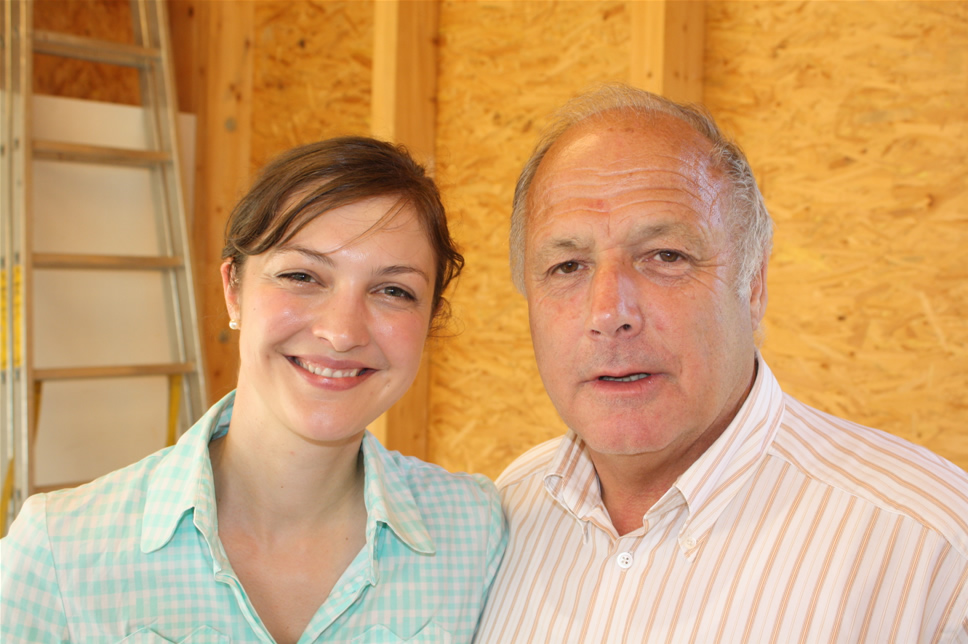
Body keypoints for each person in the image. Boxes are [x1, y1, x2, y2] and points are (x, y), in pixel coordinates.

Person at [474, 85, 968, 643]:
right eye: (567, 266)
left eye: (665, 256)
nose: (609, 314)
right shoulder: (503, 520)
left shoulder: (934, 553)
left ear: (753, 286)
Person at [2, 136, 506, 643]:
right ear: (234, 291)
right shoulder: (58, 552)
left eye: (393, 290)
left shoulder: (476, 534)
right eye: (302, 276)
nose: (342, 332)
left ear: (429, 319)